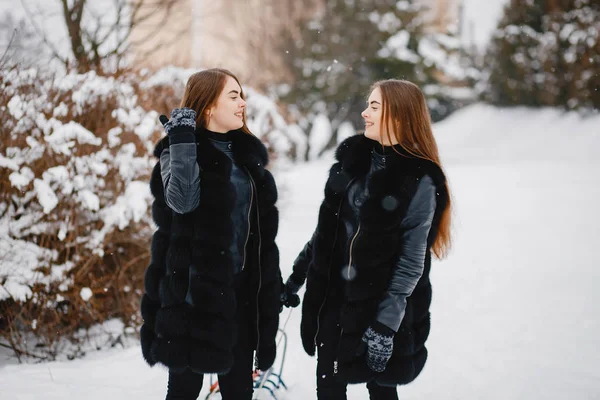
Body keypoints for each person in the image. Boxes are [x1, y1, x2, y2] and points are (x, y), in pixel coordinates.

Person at [280, 79, 452, 399]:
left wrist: (385, 327)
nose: (364, 113)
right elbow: (326, 233)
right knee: (329, 386)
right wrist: (295, 280)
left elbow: (411, 260)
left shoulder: (420, 179)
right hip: (335, 302)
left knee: (382, 392)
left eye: (374, 106)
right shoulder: (354, 162)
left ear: (399, 116)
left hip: (382, 307)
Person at [140, 68, 282, 400]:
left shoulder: (248, 158)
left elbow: (259, 235)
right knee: (184, 392)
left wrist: (270, 286)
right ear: (208, 106)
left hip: (239, 297)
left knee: (239, 392)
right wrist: (183, 141)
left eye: (242, 95)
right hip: (192, 298)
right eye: (234, 96)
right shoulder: (175, 150)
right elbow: (183, 202)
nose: (243, 103)